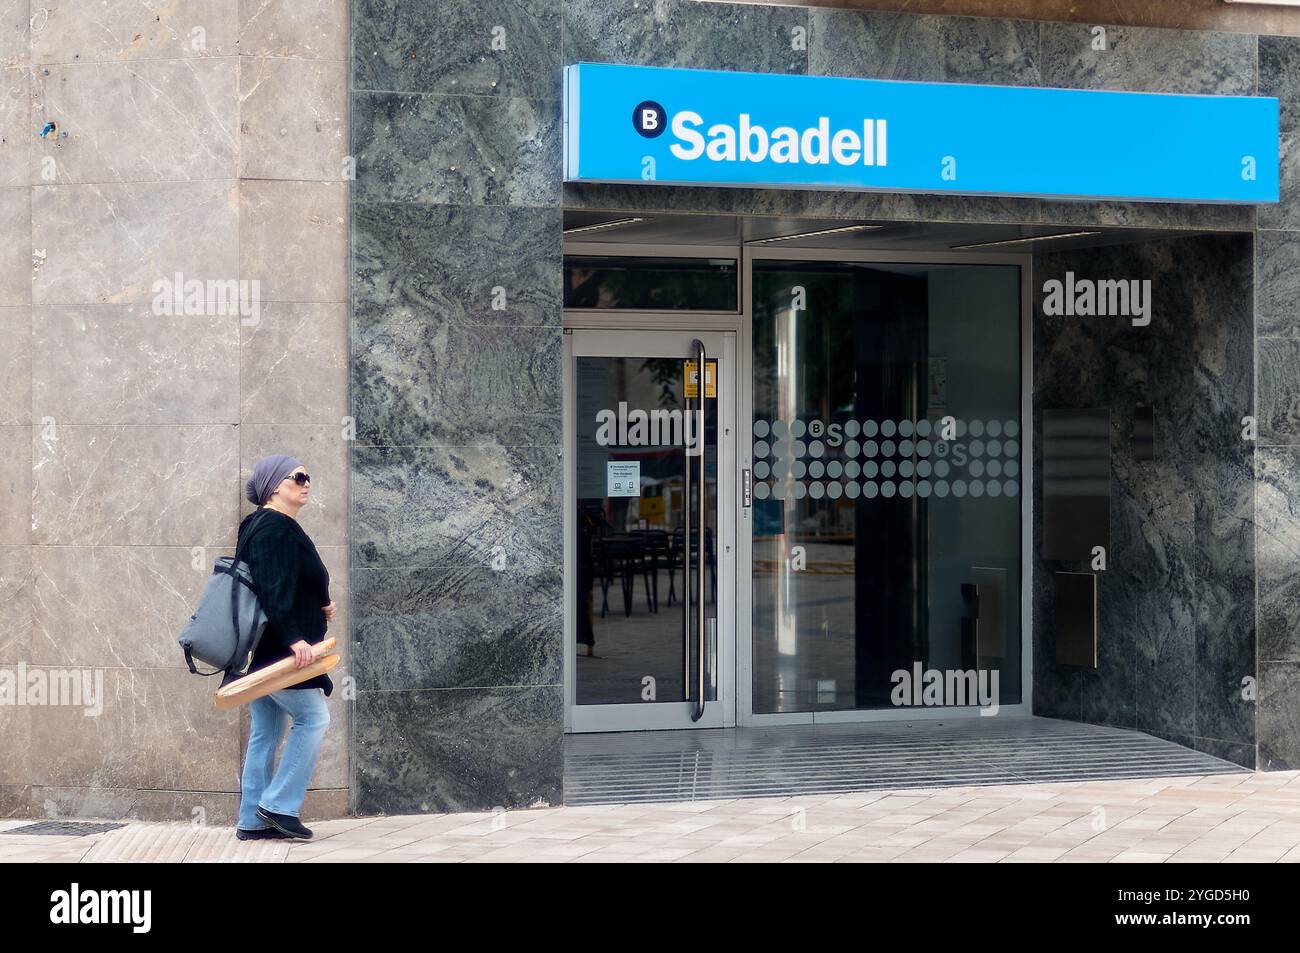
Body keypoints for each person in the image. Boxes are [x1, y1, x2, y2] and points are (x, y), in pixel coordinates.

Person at [234, 454, 336, 841]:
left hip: (270, 647)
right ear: (276, 485)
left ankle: (252, 821)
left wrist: (322, 601)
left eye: (308, 476)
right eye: (299, 476)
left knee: (267, 730)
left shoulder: (272, 525)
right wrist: (296, 639)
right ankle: (277, 806)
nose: (307, 482)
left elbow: (290, 580)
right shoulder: (273, 527)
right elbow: (272, 589)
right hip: (283, 649)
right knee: (314, 719)